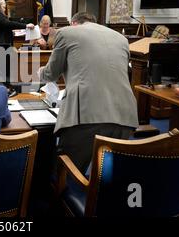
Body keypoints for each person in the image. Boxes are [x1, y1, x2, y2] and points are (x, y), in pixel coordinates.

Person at [37, 12, 138, 174]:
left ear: (74, 23)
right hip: (125, 115)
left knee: (68, 172)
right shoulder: (121, 38)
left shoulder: (67, 32)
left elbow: (50, 74)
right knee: (109, 173)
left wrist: (39, 72)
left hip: (85, 115)